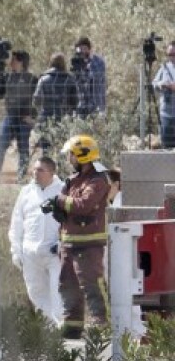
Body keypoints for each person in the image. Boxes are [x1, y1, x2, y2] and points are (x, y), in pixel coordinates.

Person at [42, 135, 111, 339]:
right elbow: (68, 204)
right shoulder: (72, 180)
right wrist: (56, 208)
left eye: (71, 154)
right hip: (69, 242)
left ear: (82, 156)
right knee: (67, 285)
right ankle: (72, 326)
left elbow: (84, 205)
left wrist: (60, 200)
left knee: (92, 284)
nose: (68, 159)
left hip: (88, 245)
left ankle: (101, 325)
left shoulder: (99, 179)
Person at [10, 157, 64, 324]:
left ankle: (63, 327)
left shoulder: (63, 190)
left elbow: (73, 221)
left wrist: (64, 244)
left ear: (52, 172)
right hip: (30, 254)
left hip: (55, 253)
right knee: (36, 293)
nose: (35, 173)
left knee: (59, 292)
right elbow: (17, 222)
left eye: (40, 170)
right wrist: (16, 250)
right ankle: (50, 329)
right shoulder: (26, 192)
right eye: (34, 169)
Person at [0, 50, 37, 181]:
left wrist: (33, 118)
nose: (11, 63)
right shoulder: (7, 77)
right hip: (10, 117)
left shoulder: (31, 79)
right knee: (1, 146)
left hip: (24, 119)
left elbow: (38, 100)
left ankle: (21, 176)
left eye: (14, 60)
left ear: (21, 62)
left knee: (23, 148)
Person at [32, 53, 80, 151]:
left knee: (46, 151)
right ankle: (60, 166)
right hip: (63, 120)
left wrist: (41, 110)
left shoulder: (43, 79)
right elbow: (75, 102)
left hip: (46, 120)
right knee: (61, 150)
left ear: (51, 63)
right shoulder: (70, 79)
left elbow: (36, 100)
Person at [71, 35, 107, 117]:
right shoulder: (77, 62)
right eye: (79, 50)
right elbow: (75, 84)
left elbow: (96, 77)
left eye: (84, 49)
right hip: (81, 106)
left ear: (89, 48)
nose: (82, 52)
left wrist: (86, 67)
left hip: (96, 106)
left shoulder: (98, 61)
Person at [151, 43, 175, 148]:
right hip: (166, 114)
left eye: (174, 54)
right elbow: (154, 83)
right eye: (169, 54)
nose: (171, 57)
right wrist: (162, 85)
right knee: (167, 147)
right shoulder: (164, 68)